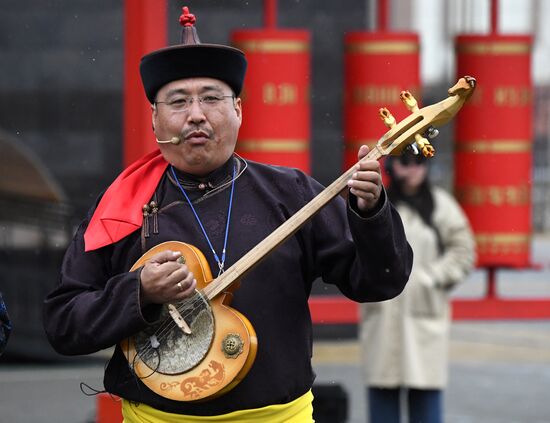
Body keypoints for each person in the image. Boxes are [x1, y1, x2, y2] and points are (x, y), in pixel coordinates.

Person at [43, 7, 412, 422]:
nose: (196, 114)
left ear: (238, 109)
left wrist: (370, 212)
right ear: (155, 118)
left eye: (212, 98)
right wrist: (138, 292)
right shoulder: (121, 207)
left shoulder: (290, 193)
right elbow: (63, 325)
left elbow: (381, 282)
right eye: (179, 101)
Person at [359, 150, 475, 423]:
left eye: (419, 162)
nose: (413, 170)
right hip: (383, 317)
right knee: (382, 403)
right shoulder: (378, 205)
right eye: (405, 162)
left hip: (424, 322)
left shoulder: (441, 206)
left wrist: (431, 278)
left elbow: (464, 252)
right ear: (391, 166)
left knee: (426, 406)